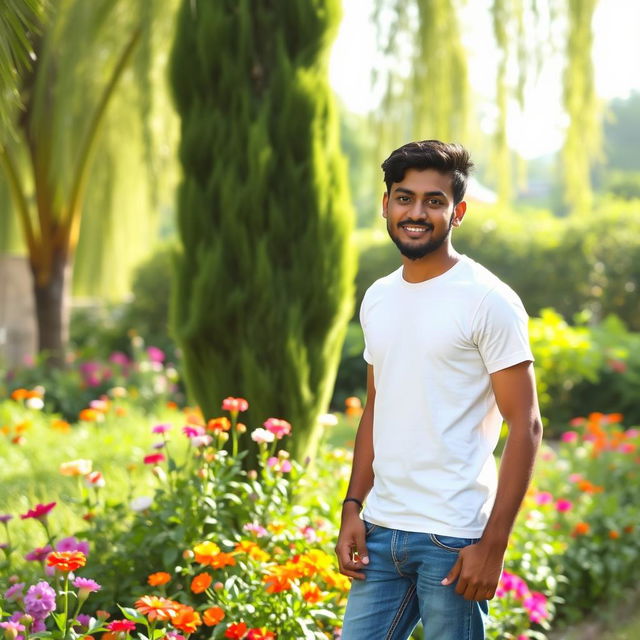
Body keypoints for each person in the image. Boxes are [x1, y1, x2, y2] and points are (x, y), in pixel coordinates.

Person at [335, 140, 543, 640]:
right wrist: (352, 508)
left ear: (458, 212)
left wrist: (493, 545)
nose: (416, 212)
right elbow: (376, 408)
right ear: (386, 205)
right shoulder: (379, 297)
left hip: (453, 537)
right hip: (382, 530)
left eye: (434, 201)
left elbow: (527, 425)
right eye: (404, 198)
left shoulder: (487, 300)